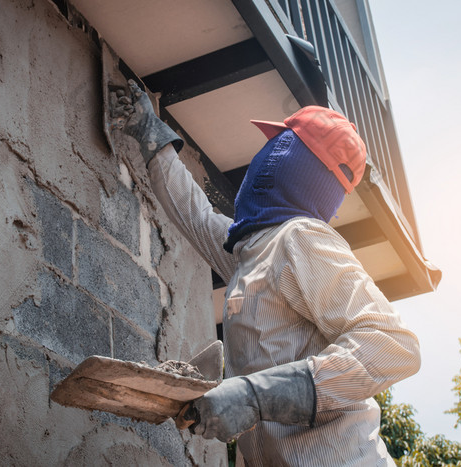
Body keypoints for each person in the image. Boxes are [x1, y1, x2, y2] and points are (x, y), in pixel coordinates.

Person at [117, 80, 420, 466]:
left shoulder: (300, 238)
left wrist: (253, 396)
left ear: (291, 160)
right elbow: (196, 216)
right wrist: (150, 135)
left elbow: (393, 345)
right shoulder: (251, 254)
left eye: (276, 146)